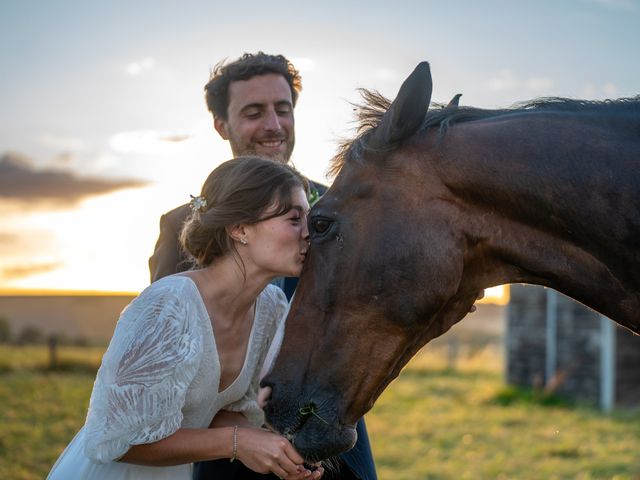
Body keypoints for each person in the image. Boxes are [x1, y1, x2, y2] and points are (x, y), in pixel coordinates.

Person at [149, 52, 378, 480]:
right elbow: (171, 360)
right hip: (232, 460)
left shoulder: (344, 208)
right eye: (254, 113)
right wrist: (243, 439)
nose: (273, 125)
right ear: (221, 125)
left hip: (339, 446)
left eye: (283, 109)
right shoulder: (185, 225)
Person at [47, 157, 323, 480]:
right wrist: (237, 442)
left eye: (309, 217)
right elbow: (113, 440)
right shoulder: (169, 308)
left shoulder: (271, 308)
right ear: (240, 229)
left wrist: (278, 448)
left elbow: (217, 408)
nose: (309, 233)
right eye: (294, 219)